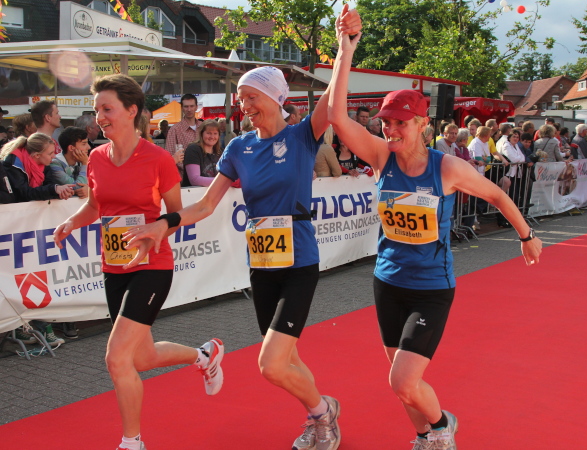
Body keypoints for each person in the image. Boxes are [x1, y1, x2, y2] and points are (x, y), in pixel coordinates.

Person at [122, 10, 361, 450]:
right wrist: (164, 224)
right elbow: (207, 204)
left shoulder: (302, 135)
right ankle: (320, 415)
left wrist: (345, 49)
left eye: (251, 96)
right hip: (262, 264)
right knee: (287, 357)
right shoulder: (238, 146)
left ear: (275, 97)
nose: (244, 105)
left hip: (299, 263)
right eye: (241, 98)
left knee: (270, 364)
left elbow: (333, 98)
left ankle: (324, 414)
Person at [327, 20, 542, 450]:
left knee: (402, 380)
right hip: (388, 282)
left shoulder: (447, 168)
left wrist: (525, 236)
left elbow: (498, 195)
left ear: (422, 124)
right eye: (386, 123)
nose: (390, 130)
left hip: (431, 288)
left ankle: (443, 427)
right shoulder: (380, 157)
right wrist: (344, 50)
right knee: (402, 382)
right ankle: (425, 435)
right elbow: (336, 116)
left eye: (400, 123)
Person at [52, 74, 224, 450]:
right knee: (142, 357)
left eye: (107, 109)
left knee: (117, 358)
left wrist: (154, 232)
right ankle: (204, 355)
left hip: (152, 266)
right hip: (114, 267)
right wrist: (71, 222)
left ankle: (132, 442)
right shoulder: (97, 158)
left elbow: (177, 215)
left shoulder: (158, 159)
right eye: (97, 110)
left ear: (132, 111)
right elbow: (95, 206)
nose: (100, 117)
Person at [0, 133, 73, 202]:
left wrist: (60, 192)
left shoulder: (44, 163)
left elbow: (49, 185)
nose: (54, 156)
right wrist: (54, 189)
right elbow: (23, 193)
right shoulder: (14, 163)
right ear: (37, 155)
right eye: (50, 153)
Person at [165, 93, 200, 176]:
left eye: (191, 106)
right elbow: (169, 156)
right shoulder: (175, 130)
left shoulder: (203, 127)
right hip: (183, 175)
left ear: (196, 107)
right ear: (182, 108)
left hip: (204, 173)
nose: (189, 109)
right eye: (186, 106)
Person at [51, 126, 89, 200]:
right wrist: (85, 164)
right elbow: (77, 187)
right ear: (71, 148)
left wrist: (89, 189)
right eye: (84, 144)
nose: (88, 147)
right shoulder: (54, 163)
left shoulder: (82, 161)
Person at [182, 120, 222, 187]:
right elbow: (194, 180)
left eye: (215, 133)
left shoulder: (220, 152)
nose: (212, 137)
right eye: (209, 133)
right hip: (194, 192)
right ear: (201, 134)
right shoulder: (193, 149)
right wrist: (223, 181)